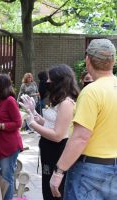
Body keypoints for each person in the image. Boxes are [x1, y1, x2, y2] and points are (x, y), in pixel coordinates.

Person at [50, 39, 117, 200]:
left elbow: (80, 137)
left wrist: (59, 171)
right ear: (113, 61)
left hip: (90, 171)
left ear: (88, 60)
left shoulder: (91, 92)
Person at [20, 64, 79, 200]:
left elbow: (58, 135)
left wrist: (32, 123)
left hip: (57, 151)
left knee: (54, 192)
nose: (47, 82)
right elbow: (50, 124)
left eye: (50, 79)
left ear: (60, 81)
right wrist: (33, 112)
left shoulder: (66, 104)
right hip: (49, 150)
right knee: (46, 189)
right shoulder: (59, 101)